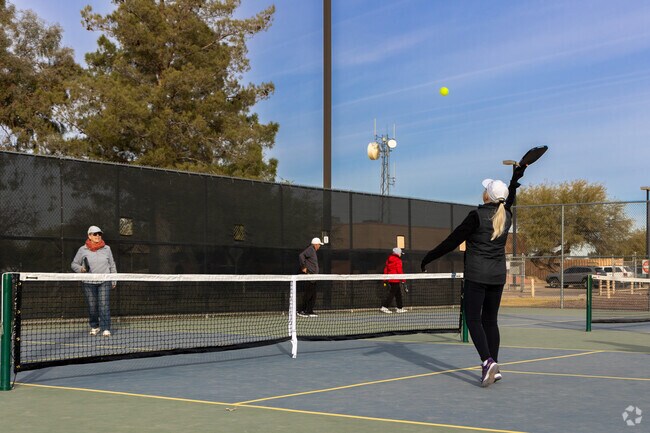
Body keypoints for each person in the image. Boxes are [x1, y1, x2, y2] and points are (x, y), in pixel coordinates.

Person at [420, 165, 526, 387]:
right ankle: (494, 365)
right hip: (497, 276)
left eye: (486, 188)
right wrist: (516, 178)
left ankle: (487, 362)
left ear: (487, 195)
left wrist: (429, 257)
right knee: (490, 321)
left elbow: (452, 240)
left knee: (474, 319)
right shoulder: (506, 214)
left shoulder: (476, 216)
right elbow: (510, 199)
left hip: (477, 276)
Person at [71, 225, 117, 336]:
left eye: (99, 234)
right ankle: (95, 326)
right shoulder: (82, 250)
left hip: (105, 281)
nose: (97, 236)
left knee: (104, 305)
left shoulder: (107, 249)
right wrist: (81, 269)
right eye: (95, 234)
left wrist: (114, 279)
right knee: (92, 306)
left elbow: (112, 264)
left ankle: (106, 328)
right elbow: (73, 264)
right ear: (89, 236)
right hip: (88, 282)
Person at [298, 237, 324, 317]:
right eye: (319, 244)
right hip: (310, 276)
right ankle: (301, 311)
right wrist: (304, 267)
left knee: (313, 295)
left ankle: (309, 311)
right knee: (308, 294)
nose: (319, 246)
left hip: (314, 277)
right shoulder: (310, 249)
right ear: (315, 244)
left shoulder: (313, 251)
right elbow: (301, 255)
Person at [380, 248, 407, 313]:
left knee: (398, 294)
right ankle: (384, 307)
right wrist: (403, 280)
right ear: (397, 253)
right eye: (400, 253)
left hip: (390, 279)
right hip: (395, 279)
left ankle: (399, 308)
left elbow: (386, 269)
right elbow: (399, 271)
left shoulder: (389, 259)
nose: (401, 254)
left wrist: (385, 279)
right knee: (392, 293)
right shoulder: (398, 260)